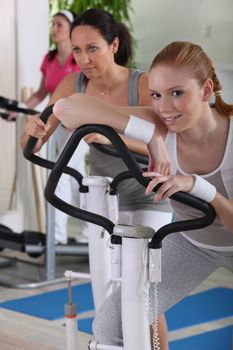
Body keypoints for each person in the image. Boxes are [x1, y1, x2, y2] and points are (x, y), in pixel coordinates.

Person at [50, 41, 233, 349]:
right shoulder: (161, 123)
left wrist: (198, 186)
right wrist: (151, 137)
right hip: (193, 243)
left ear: (205, 90)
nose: (164, 107)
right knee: (111, 325)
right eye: (157, 95)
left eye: (177, 93)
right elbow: (66, 108)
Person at [20, 8, 173, 241]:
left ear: (113, 45)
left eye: (92, 49)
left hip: (148, 195)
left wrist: (108, 137)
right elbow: (32, 146)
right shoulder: (73, 83)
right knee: (104, 278)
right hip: (104, 197)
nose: (83, 60)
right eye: (77, 50)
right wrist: (31, 132)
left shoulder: (142, 84)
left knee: (143, 274)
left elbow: (168, 147)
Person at [16, 9, 89, 244]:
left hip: (76, 127)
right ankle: (79, 231)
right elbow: (40, 93)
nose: (54, 29)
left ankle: (61, 236)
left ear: (71, 29)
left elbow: (84, 92)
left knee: (66, 176)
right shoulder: (49, 59)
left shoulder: (79, 59)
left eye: (59, 24)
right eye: (53, 24)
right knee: (66, 177)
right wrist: (17, 108)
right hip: (53, 123)